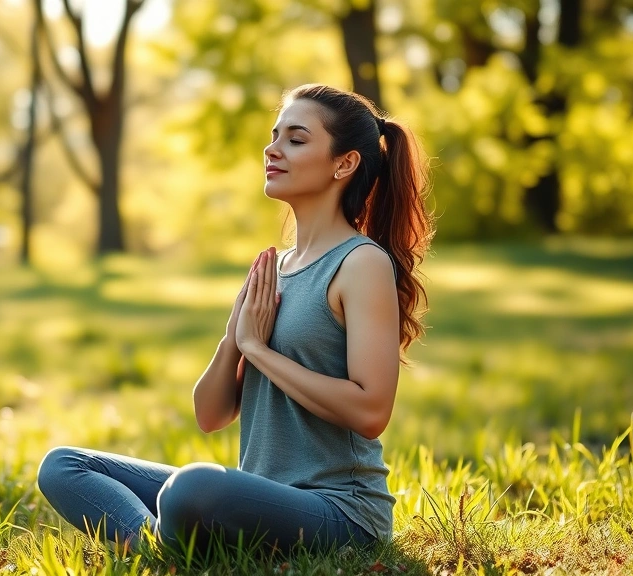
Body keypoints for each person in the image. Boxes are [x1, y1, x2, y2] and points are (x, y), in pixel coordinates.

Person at [36, 83, 435, 557]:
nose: (273, 148)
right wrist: (235, 337)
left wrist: (259, 350)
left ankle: (159, 548)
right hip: (260, 496)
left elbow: (371, 412)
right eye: (274, 135)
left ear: (343, 164)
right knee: (63, 465)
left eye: (296, 139)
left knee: (192, 490)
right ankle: (160, 549)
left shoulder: (360, 263)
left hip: (341, 513)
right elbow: (210, 415)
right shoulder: (276, 269)